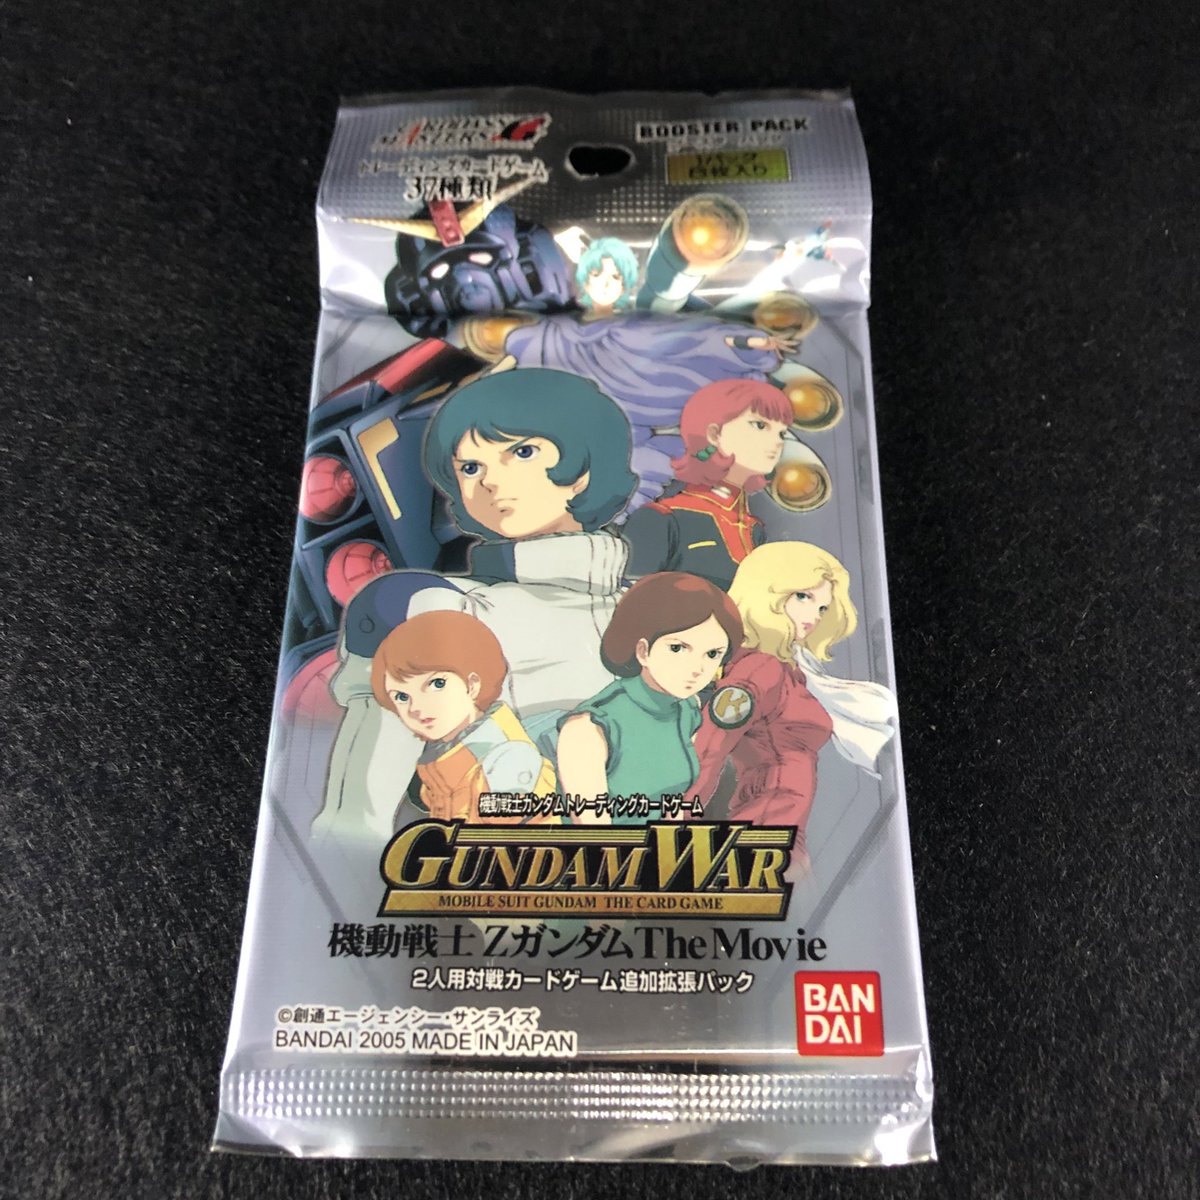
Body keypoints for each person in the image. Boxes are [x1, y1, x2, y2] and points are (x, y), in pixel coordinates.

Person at [313, 368, 637, 844]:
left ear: (583, 470)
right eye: (470, 468)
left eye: (522, 453)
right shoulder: (432, 607)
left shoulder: (652, 607)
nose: (491, 482)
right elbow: (354, 823)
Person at [693, 542, 897, 871]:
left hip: (782, 830)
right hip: (766, 826)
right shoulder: (759, 669)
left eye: (823, 607)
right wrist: (673, 823)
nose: (815, 615)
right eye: (803, 596)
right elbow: (709, 747)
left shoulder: (789, 672)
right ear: (769, 592)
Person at [557, 573, 743, 824]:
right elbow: (594, 834)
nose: (697, 668)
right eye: (677, 648)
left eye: (712, 654)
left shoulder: (688, 709)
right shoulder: (589, 727)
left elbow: (673, 803)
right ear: (643, 651)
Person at [370, 610, 555, 823]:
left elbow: (496, 836)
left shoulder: (505, 757)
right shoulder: (442, 755)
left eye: (437, 684)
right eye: (402, 697)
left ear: (472, 685)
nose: (417, 707)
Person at [622, 378, 794, 589]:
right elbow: (631, 602)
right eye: (760, 425)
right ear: (714, 434)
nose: (777, 442)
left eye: (782, 433)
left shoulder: (754, 530)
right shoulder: (661, 519)